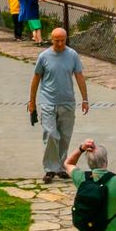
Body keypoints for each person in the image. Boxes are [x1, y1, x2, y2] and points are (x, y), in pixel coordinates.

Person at [27, 24, 89, 180]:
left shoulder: (72, 55)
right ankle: (50, 168)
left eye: (62, 40)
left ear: (66, 39)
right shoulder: (44, 56)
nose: (60, 44)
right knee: (50, 134)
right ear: (51, 40)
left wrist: (85, 99)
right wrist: (32, 102)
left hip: (67, 101)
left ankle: (62, 167)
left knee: (65, 135)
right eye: (56, 40)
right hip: (48, 101)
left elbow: (79, 76)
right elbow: (35, 79)